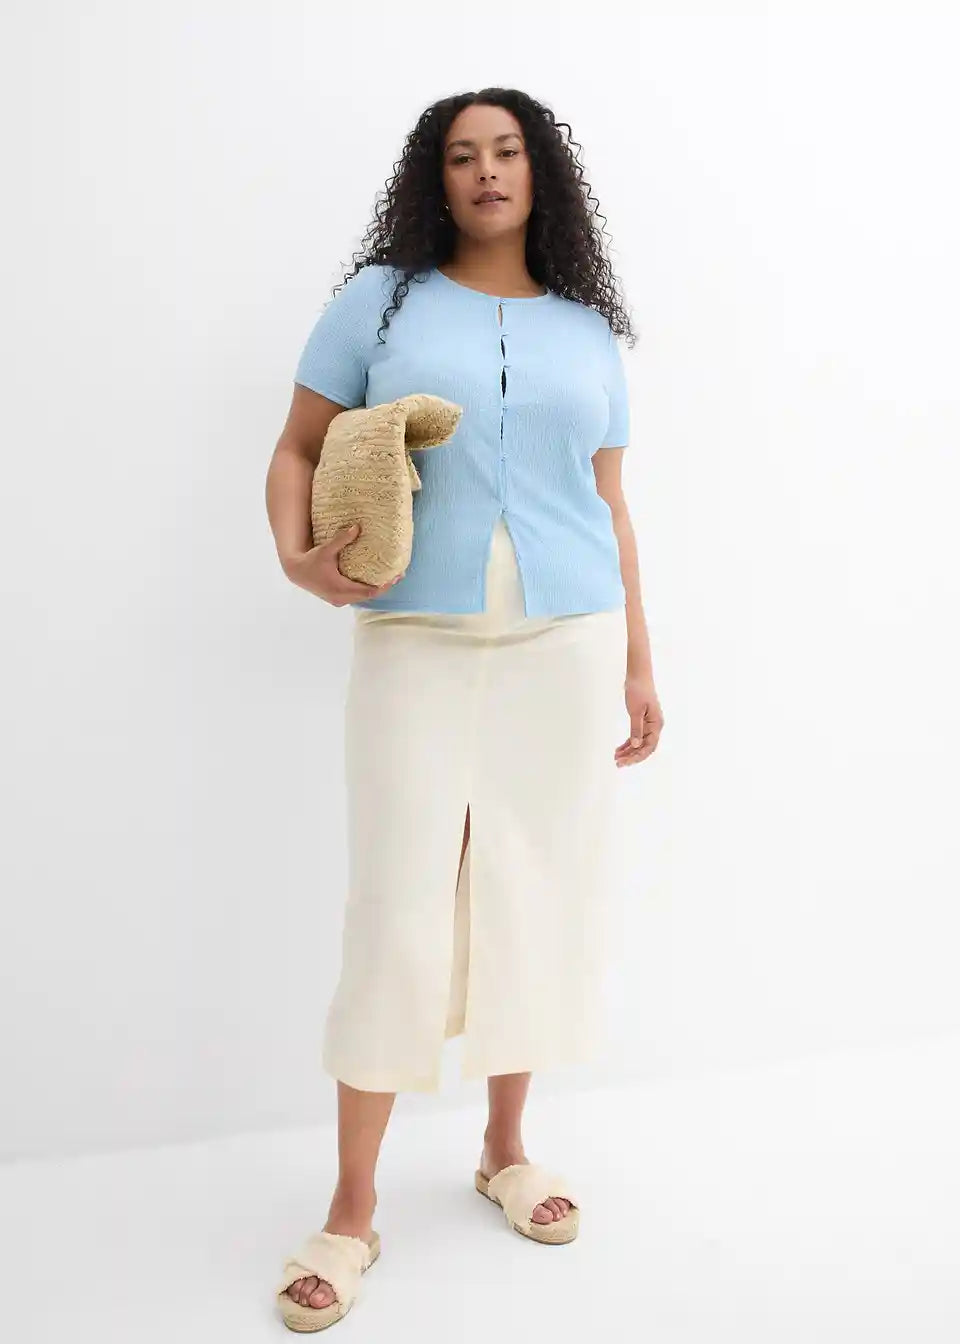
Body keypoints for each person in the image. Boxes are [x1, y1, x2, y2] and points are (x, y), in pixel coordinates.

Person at [265, 85, 663, 1331]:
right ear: (434, 180)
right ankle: (351, 1209)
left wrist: (640, 661)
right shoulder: (379, 303)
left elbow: (609, 501)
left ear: (541, 174)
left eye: (507, 151)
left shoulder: (589, 330)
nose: (486, 171)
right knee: (396, 906)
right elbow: (296, 447)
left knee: (533, 889)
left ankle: (505, 1151)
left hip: (567, 641)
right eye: (460, 155)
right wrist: (297, 560)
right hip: (414, 639)